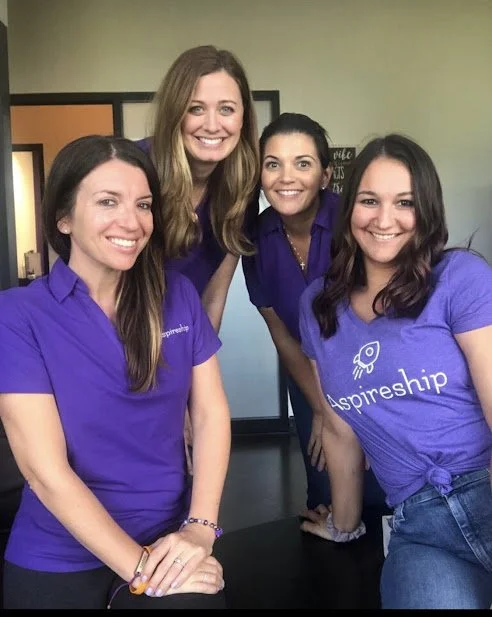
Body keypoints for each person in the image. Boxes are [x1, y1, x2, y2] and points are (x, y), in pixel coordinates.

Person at [0, 135, 231, 609]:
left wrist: (200, 530)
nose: (132, 221)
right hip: (58, 554)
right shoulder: (17, 315)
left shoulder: (179, 296)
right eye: (108, 201)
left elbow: (210, 415)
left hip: (169, 539)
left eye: (143, 204)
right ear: (63, 217)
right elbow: (45, 472)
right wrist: (145, 571)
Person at [299, 133, 492, 609]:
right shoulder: (318, 308)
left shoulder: (459, 278)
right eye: (369, 200)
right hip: (420, 529)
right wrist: (343, 526)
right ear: (349, 210)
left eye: (404, 202)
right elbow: (341, 431)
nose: (384, 220)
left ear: (426, 210)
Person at [242, 113, 385, 521]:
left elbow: (382, 328)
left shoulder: (355, 223)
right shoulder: (255, 237)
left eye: (302, 163)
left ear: (325, 175)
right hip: (307, 375)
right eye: (273, 164)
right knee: (325, 487)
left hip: (371, 374)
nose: (287, 177)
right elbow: (283, 334)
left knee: (379, 484)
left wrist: (352, 414)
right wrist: (323, 410)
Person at [136, 44, 259, 463]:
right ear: (175, 113)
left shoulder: (240, 187)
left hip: (178, 349)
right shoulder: (136, 168)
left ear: (244, 117)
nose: (212, 124)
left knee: (185, 472)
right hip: (118, 347)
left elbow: (213, 299)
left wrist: (191, 388)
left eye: (227, 108)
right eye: (196, 108)